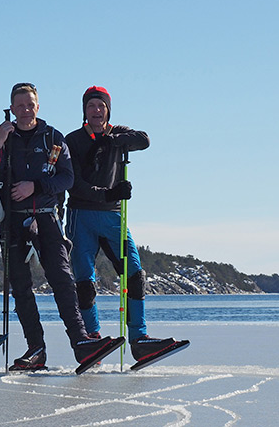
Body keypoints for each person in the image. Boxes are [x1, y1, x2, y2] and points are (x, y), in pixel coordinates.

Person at [0, 83, 119, 371]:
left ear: (37, 106)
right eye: (19, 105)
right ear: (12, 108)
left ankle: (81, 343)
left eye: (29, 104)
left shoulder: (52, 137)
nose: (24, 110)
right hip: (13, 222)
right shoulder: (3, 139)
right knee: (20, 288)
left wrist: (34, 186)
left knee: (62, 280)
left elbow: (67, 178)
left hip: (46, 217)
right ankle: (36, 350)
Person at [64, 85, 186, 362]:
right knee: (85, 280)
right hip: (81, 215)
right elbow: (74, 184)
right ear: (84, 110)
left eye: (101, 106)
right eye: (91, 106)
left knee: (134, 274)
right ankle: (91, 338)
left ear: (108, 110)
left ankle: (140, 338)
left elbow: (144, 140)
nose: (97, 111)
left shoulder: (117, 133)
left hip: (113, 216)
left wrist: (114, 141)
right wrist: (108, 193)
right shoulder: (73, 140)